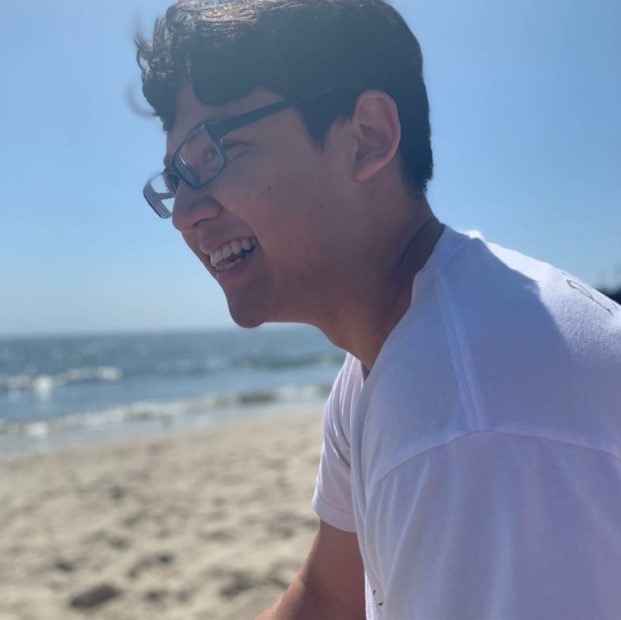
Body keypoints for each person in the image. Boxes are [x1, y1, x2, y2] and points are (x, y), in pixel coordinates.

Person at [135, 1, 621, 618]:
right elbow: (328, 596)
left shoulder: (466, 422)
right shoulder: (392, 353)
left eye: (213, 154)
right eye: (176, 177)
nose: (184, 213)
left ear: (368, 137)